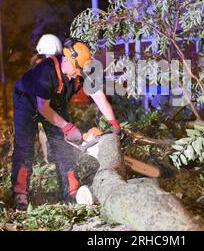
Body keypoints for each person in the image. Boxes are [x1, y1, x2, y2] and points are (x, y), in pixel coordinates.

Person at [11, 36, 121, 210]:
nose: (78, 75)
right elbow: (43, 109)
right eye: (77, 71)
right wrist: (67, 127)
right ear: (68, 61)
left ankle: (71, 192)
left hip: (54, 102)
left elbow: (98, 96)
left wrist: (114, 125)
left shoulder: (81, 70)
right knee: (25, 147)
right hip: (27, 100)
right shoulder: (46, 72)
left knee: (63, 147)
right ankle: (20, 194)